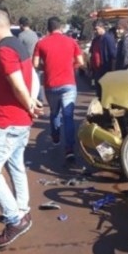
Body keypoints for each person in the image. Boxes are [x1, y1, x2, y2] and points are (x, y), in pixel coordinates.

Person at [0, 5, 41, 248]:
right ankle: (22, 210)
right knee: (15, 165)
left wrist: (30, 104)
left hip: (5, 122)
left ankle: (15, 219)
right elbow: (31, 77)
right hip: (18, 120)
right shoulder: (16, 44)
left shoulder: (4, 50)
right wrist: (31, 103)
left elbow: (17, 84)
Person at [34, 16, 84, 162]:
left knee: (55, 113)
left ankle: (55, 138)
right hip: (68, 85)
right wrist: (71, 67)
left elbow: (35, 64)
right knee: (68, 116)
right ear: (61, 28)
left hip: (51, 85)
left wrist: (47, 68)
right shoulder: (71, 41)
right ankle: (69, 149)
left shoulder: (41, 43)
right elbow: (80, 61)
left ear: (48, 29)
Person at [18, 16, 43, 102]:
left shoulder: (21, 36)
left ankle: (30, 99)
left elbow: (18, 49)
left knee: (27, 82)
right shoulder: (34, 34)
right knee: (37, 81)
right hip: (36, 60)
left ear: (21, 25)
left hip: (26, 61)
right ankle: (40, 98)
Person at [91, 20, 117, 98]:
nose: (95, 31)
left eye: (96, 29)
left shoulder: (108, 38)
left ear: (102, 27)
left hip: (105, 69)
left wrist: (111, 71)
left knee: (104, 92)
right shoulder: (96, 39)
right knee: (98, 92)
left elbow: (113, 55)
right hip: (97, 70)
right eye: (94, 29)